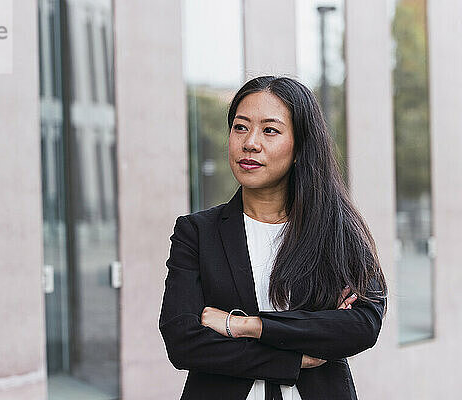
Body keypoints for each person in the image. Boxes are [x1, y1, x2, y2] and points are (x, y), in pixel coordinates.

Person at [158, 76, 388, 400]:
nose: (250, 142)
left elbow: (362, 324)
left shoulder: (335, 229)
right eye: (240, 127)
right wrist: (293, 357)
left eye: (270, 130)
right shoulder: (196, 232)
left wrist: (247, 326)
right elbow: (183, 341)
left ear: (299, 147)